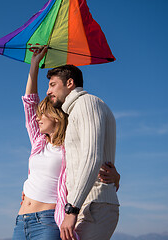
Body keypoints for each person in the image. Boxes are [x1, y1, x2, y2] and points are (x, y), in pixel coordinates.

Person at [12, 47, 120, 240]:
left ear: (55, 117)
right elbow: (29, 102)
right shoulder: (38, 142)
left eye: (42, 114)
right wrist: (34, 64)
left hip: (48, 219)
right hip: (21, 220)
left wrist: (115, 175)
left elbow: (89, 159)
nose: (37, 118)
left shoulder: (67, 149)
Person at [46, 50, 120, 240]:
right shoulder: (76, 111)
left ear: (70, 83)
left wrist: (72, 210)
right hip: (86, 204)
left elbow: (91, 157)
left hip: (94, 205)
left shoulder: (86, 103)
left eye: (53, 84)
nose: (48, 91)